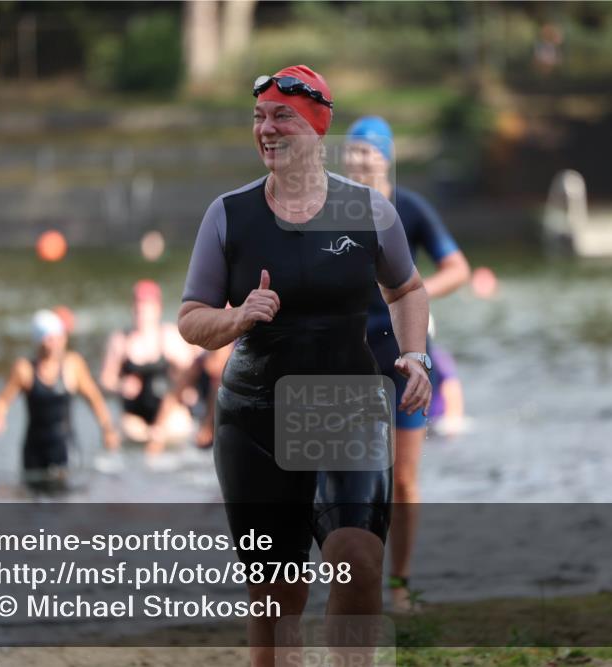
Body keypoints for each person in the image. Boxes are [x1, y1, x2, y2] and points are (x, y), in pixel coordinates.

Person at [178, 65, 431, 667]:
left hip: (345, 405)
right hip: (255, 416)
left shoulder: (370, 211)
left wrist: (414, 354)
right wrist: (237, 318)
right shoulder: (229, 215)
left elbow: (408, 290)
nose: (266, 128)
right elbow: (190, 319)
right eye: (259, 118)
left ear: (319, 126)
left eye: (281, 116)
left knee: (357, 559)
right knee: (275, 600)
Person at [344, 115, 471, 612]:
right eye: (351, 152)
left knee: (402, 480)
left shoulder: (409, 209)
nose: (357, 161)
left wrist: (412, 295)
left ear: (386, 157)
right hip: (352, 360)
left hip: (406, 357)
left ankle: (400, 583)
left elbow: (458, 269)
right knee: (352, 478)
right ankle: (358, 584)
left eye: (367, 152)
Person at [0, 309, 120, 493]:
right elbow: (2, 401)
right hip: (34, 449)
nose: (57, 344)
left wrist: (107, 429)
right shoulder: (25, 369)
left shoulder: (72, 365)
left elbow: (94, 398)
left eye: (60, 338)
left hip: (65, 448)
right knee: (32, 499)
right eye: (51, 339)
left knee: (65, 499)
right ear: (39, 341)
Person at [100, 280, 195, 455]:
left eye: (146, 307)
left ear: (157, 309)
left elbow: (192, 372)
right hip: (135, 418)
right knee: (123, 431)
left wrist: (185, 386)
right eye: (138, 306)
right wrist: (120, 386)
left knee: (180, 425)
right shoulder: (121, 340)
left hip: (169, 415)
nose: (141, 312)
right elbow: (106, 380)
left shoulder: (169, 337)